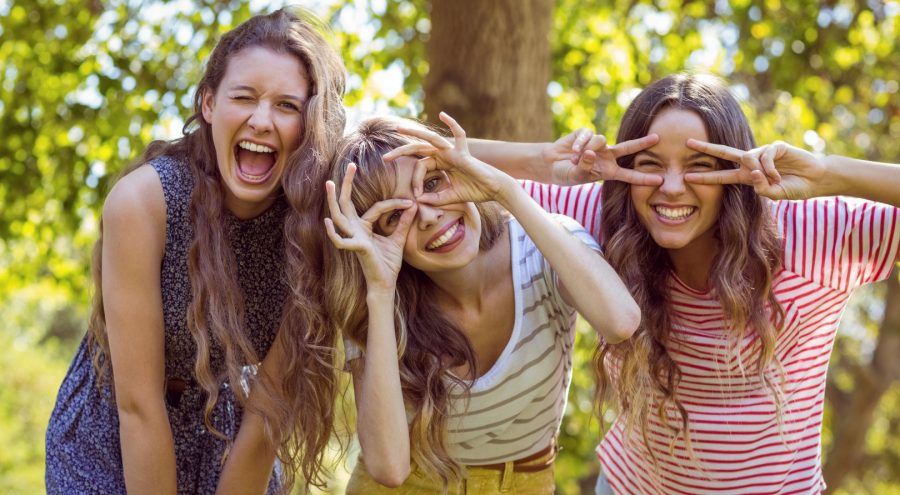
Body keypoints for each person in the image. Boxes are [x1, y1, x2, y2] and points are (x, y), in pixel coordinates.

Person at [485, 73, 900, 494]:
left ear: (733, 172)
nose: (671, 188)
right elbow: (435, 164)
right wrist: (540, 160)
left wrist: (831, 173)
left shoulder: (811, 233)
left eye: (699, 167)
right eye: (650, 165)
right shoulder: (606, 219)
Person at [45, 9, 346, 494]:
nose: (262, 120)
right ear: (208, 103)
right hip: (113, 431)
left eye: (288, 106)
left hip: (222, 427)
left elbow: (268, 413)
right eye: (243, 97)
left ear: (310, 124)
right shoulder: (143, 203)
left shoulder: (313, 225)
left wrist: (515, 166)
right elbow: (138, 408)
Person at [322, 113, 643, 494]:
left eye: (433, 181)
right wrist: (378, 290)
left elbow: (621, 321)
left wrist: (506, 190)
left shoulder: (542, 246)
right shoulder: (378, 300)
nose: (428, 215)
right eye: (395, 215)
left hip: (524, 481)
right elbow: (388, 467)